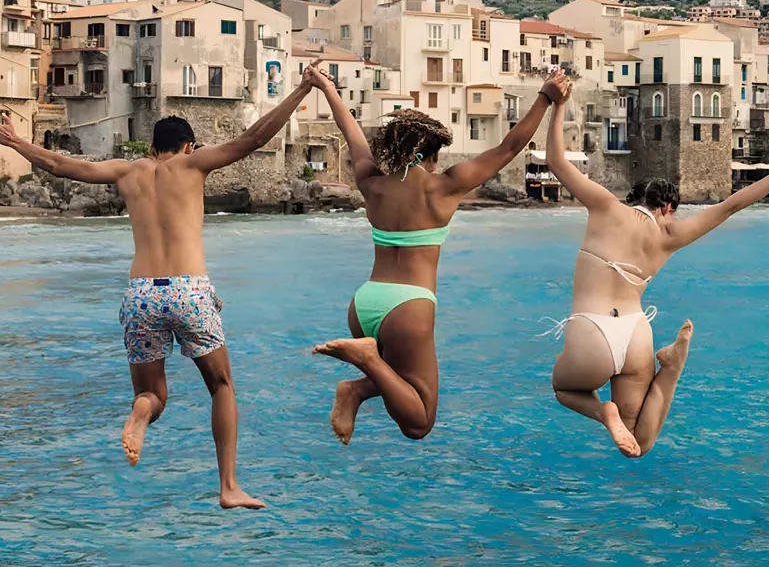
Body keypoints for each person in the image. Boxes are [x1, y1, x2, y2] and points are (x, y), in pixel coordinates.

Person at [0, 67, 318, 509]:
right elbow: (252, 139)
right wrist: (301, 88)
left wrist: (15, 141)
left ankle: (140, 413)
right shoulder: (194, 164)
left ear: (151, 147)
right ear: (188, 146)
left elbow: (59, 164)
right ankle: (228, 486)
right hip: (188, 290)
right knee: (222, 386)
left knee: (152, 394)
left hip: (141, 294)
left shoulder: (127, 171)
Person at [544, 87, 769, 458]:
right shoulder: (671, 235)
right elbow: (730, 205)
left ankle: (605, 413)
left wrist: (557, 107)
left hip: (593, 331)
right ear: (668, 206)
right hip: (637, 335)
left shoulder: (606, 206)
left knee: (564, 389)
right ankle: (671, 365)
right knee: (639, 444)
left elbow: (556, 161)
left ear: (636, 198)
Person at [311, 68, 569, 444]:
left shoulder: (372, 183)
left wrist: (329, 89)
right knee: (420, 421)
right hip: (409, 306)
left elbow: (350, 133)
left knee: (397, 378)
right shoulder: (444, 186)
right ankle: (364, 363)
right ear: (425, 154)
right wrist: (544, 97)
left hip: (365, 302)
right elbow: (510, 147)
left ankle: (357, 388)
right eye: (435, 156)